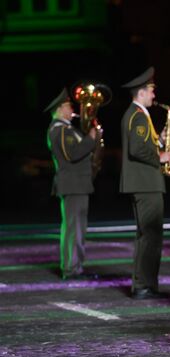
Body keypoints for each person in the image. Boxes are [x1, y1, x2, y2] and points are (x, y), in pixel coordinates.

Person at [120, 67, 170, 300]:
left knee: (147, 235)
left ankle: (145, 284)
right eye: (151, 90)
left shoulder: (138, 114)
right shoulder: (138, 115)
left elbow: (143, 144)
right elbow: (137, 148)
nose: (153, 95)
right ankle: (144, 285)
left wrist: (159, 142)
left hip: (144, 182)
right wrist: (159, 156)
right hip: (146, 183)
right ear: (141, 92)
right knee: (150, 236)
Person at [46, 88, 99, 280]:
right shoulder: (59, 130)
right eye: (69, 106)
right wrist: (91, 138)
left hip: (78, 184)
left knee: (77, 228)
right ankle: (71, 268)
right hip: (72, 185)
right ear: (60, 109)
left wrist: (94, 136)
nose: (72, 109)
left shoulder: (67, 129)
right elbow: (73, 154)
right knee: (73, 229)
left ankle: (75, 266)